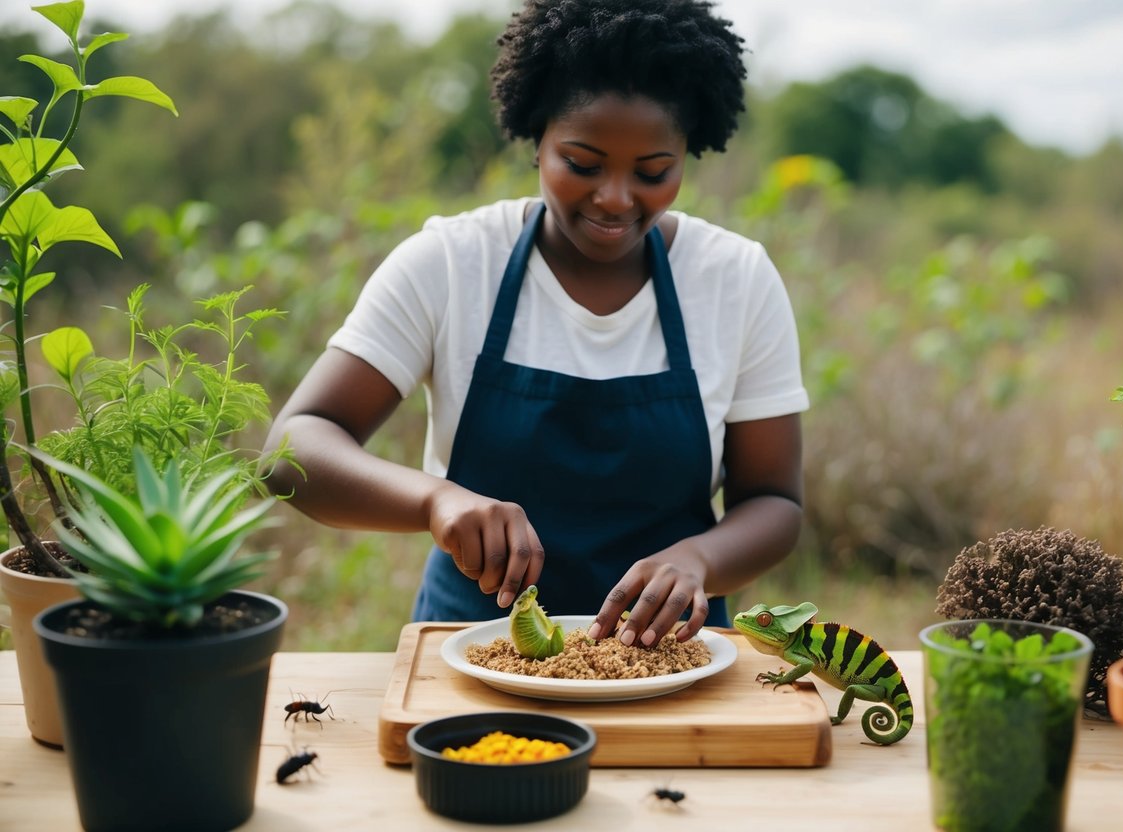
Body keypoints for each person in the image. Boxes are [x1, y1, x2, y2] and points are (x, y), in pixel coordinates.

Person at [262, 0, 809, 647]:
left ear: (688, 151)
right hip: (471, 656)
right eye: (582, 163)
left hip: (669, 662)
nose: (614, 197)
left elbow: (774, 501)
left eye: (653, 172)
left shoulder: (734, 279)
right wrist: (435, 502)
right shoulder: (451, 263)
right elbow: (292, 451)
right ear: (536, 136)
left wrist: (700, 559)